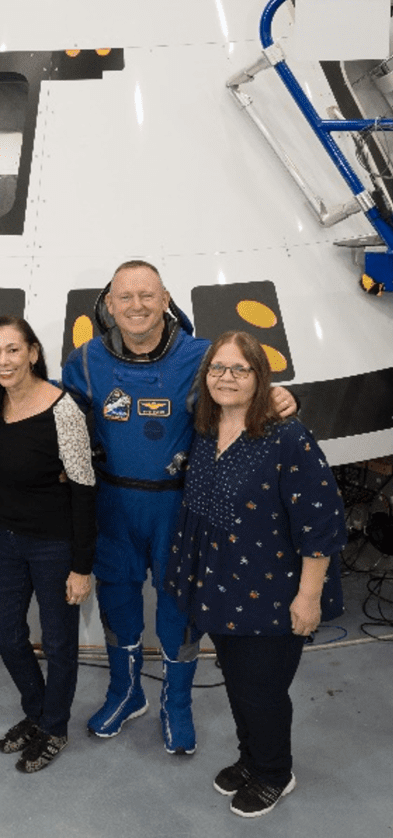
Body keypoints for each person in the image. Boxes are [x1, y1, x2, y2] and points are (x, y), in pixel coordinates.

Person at [61, 260, 294, 753]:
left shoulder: (204, 357)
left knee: (178, 610)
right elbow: (64, 426)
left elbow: (242, 397)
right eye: (125, 297)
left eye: (147, 296)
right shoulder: (83, 362)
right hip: (113, 507)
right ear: (108, 305)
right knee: (118, 604)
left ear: (166, 300)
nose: (137, 306)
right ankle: (125, 694)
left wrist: (282, 399)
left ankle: (177, 703)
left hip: (180, 507)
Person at [166, 332, 342, 818]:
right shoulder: (205, 426)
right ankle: (251, 759)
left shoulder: (287, 436)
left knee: (262, 689)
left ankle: (274, 773)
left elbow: (321, 525)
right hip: (220, 585)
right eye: (217, 368)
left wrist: (308, 599)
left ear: (260, 377)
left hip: (274, 590)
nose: (226, 377)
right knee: (239, 683)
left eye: (239, 369)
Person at [0, 316, 96, 774]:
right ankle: (38, 712)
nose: (4, 361)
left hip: (54, 544)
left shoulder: (62, 409)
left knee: (59, 642)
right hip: (3, 538)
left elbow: (83, 489)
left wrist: (82, 566)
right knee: (7, 635)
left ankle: (54, 728)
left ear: (34, 353)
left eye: (13, 350)